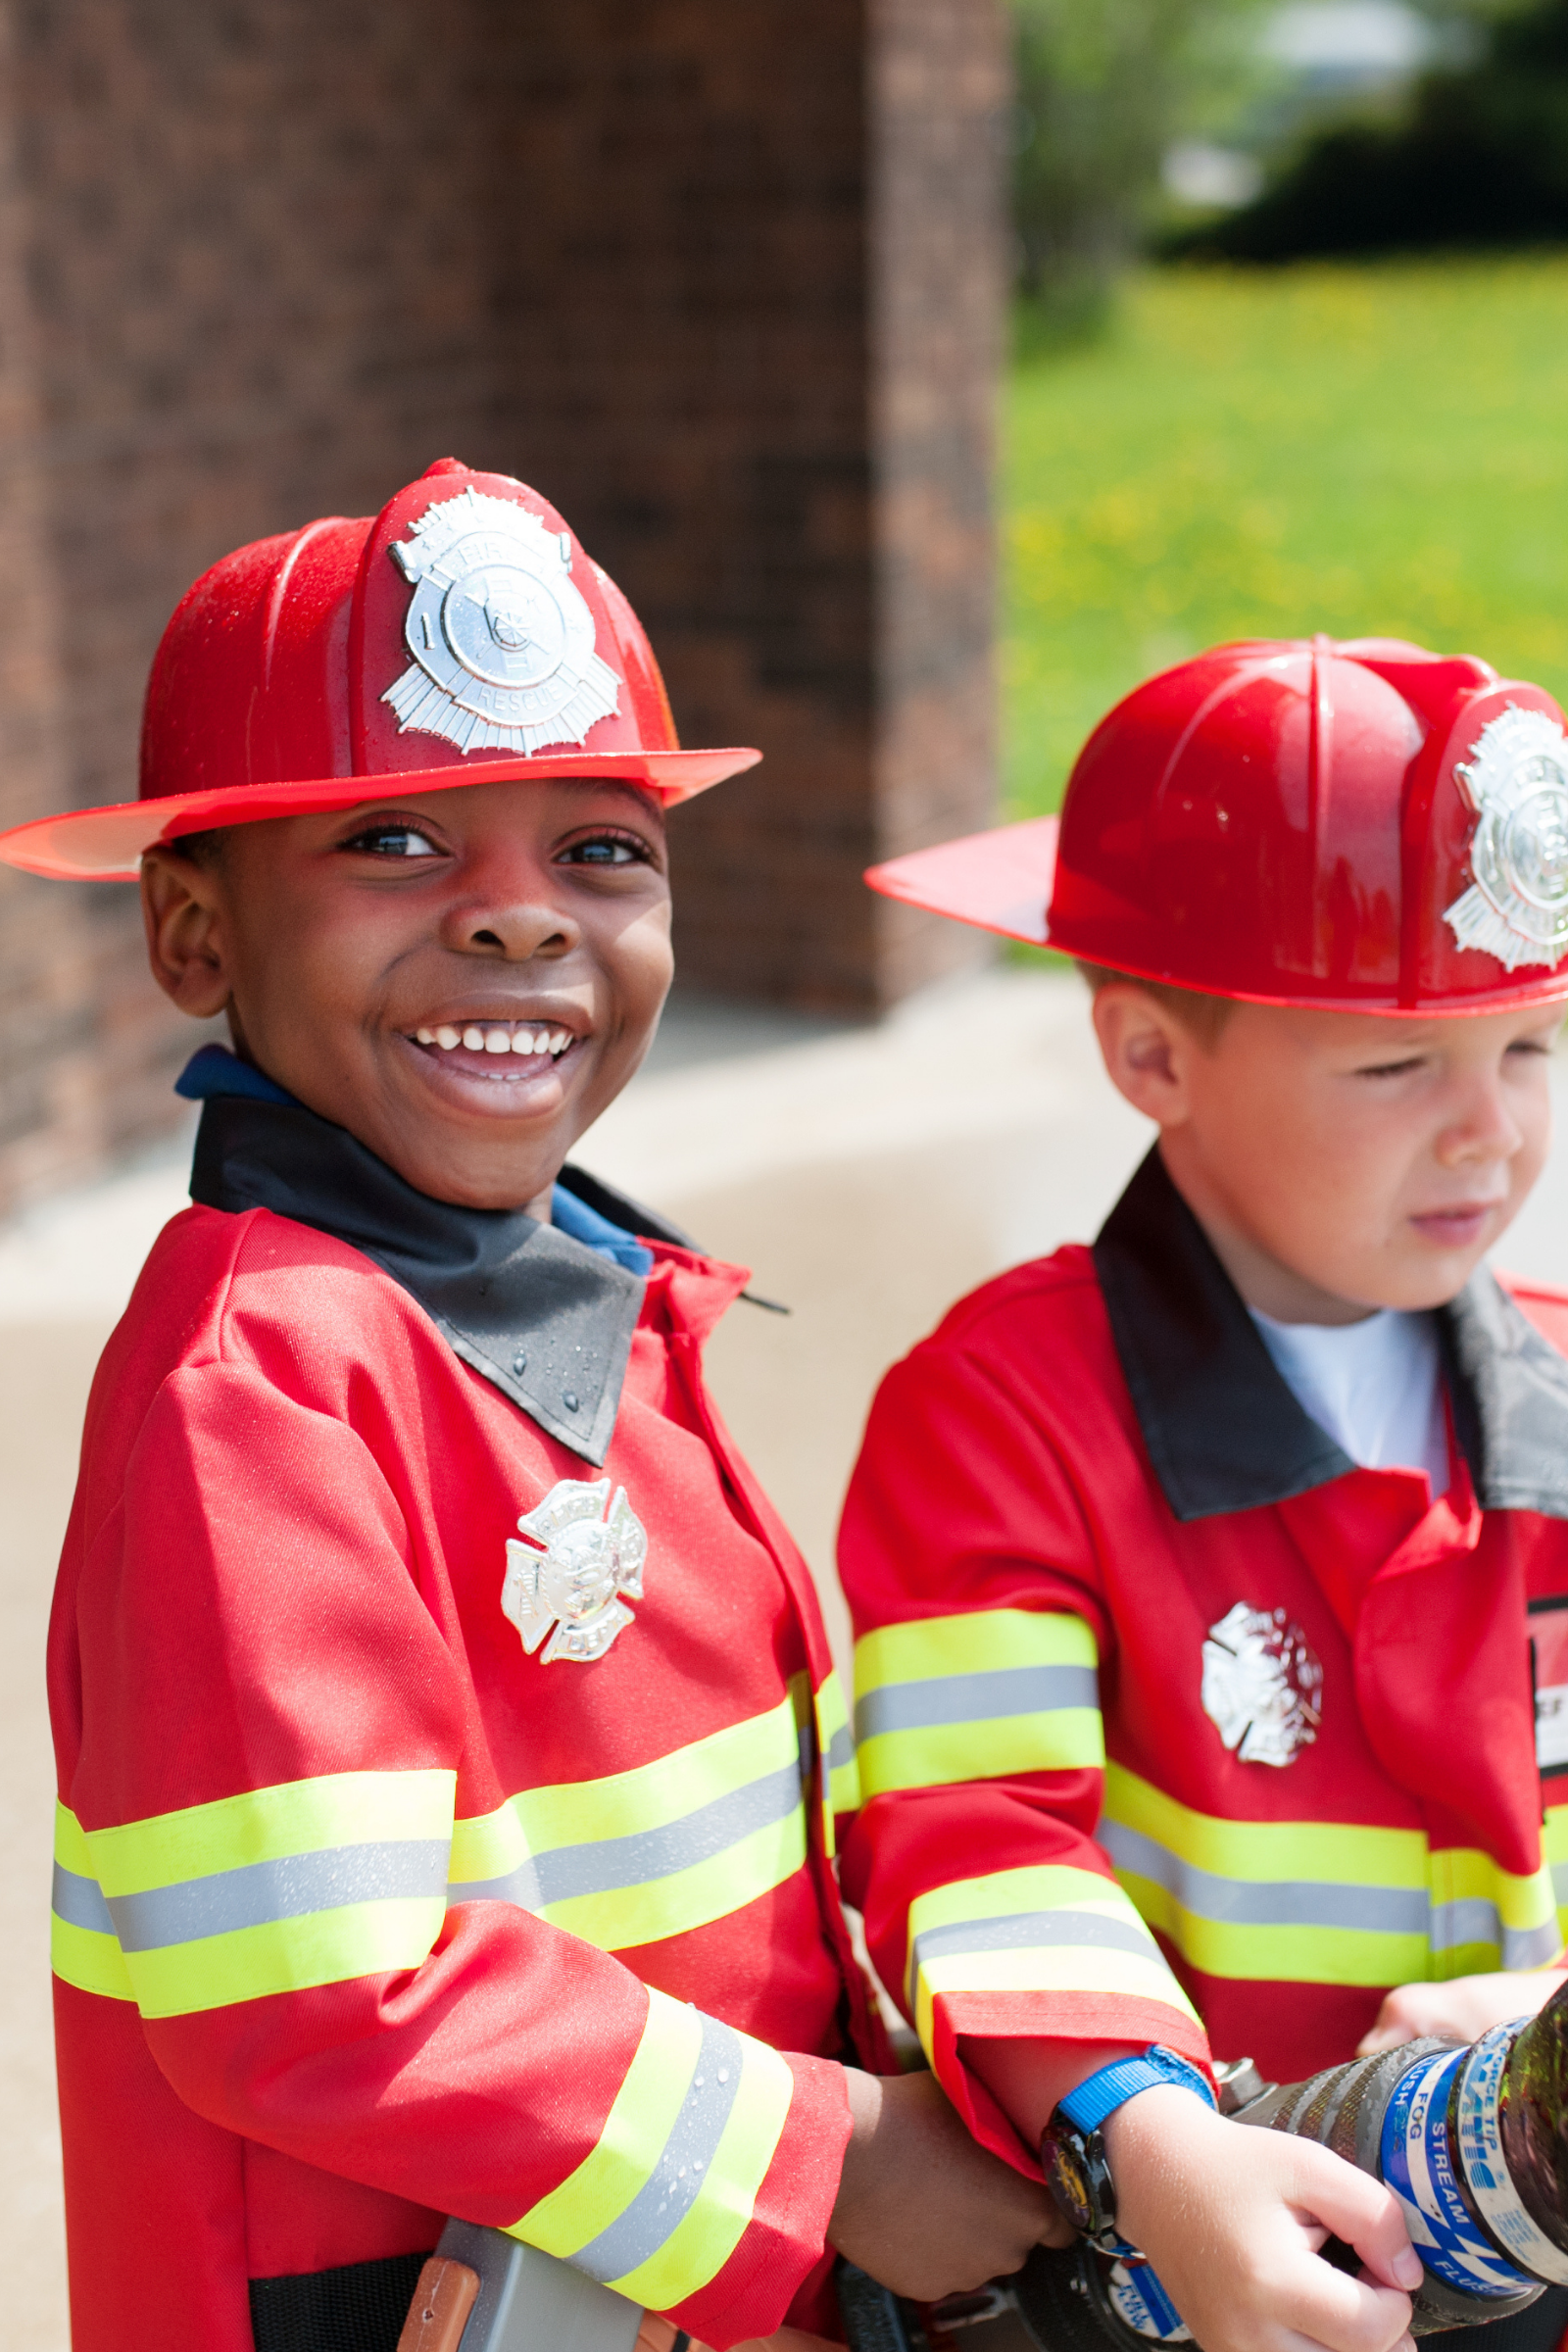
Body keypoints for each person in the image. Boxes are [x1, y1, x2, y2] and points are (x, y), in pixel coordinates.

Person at [0, 461, 1052, 2352]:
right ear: (191, 935)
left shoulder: (591, 1296)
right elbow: (319, 1992)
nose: (516, 921)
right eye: (396, 843)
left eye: (602, 848)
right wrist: (833, 2163)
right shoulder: (260, 1390)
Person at [839, 637, 1568, 2352]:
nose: (1487, 1136)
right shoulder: (1000, 1413)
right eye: (1398, 1070)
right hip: (1188, 2262)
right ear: (1152, 1055)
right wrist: (1156, 2149)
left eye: (1529, 1050)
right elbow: (978, 1841)